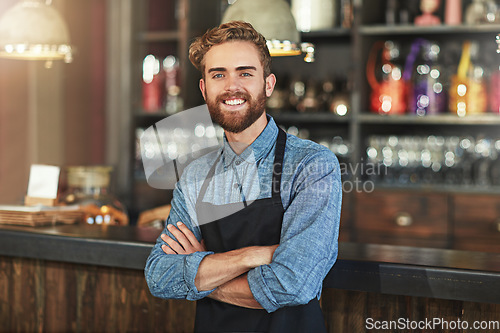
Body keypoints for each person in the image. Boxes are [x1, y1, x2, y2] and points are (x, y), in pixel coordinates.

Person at [145, 21, 342, 333]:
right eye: (218, 74)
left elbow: (292, 284)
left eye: (245, 73)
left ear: (268, 84)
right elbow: (159, 276)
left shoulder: (312, 166)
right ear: (204, 88)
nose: (231, 86)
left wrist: (202, 268)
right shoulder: (195, 175)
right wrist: (255, 255)